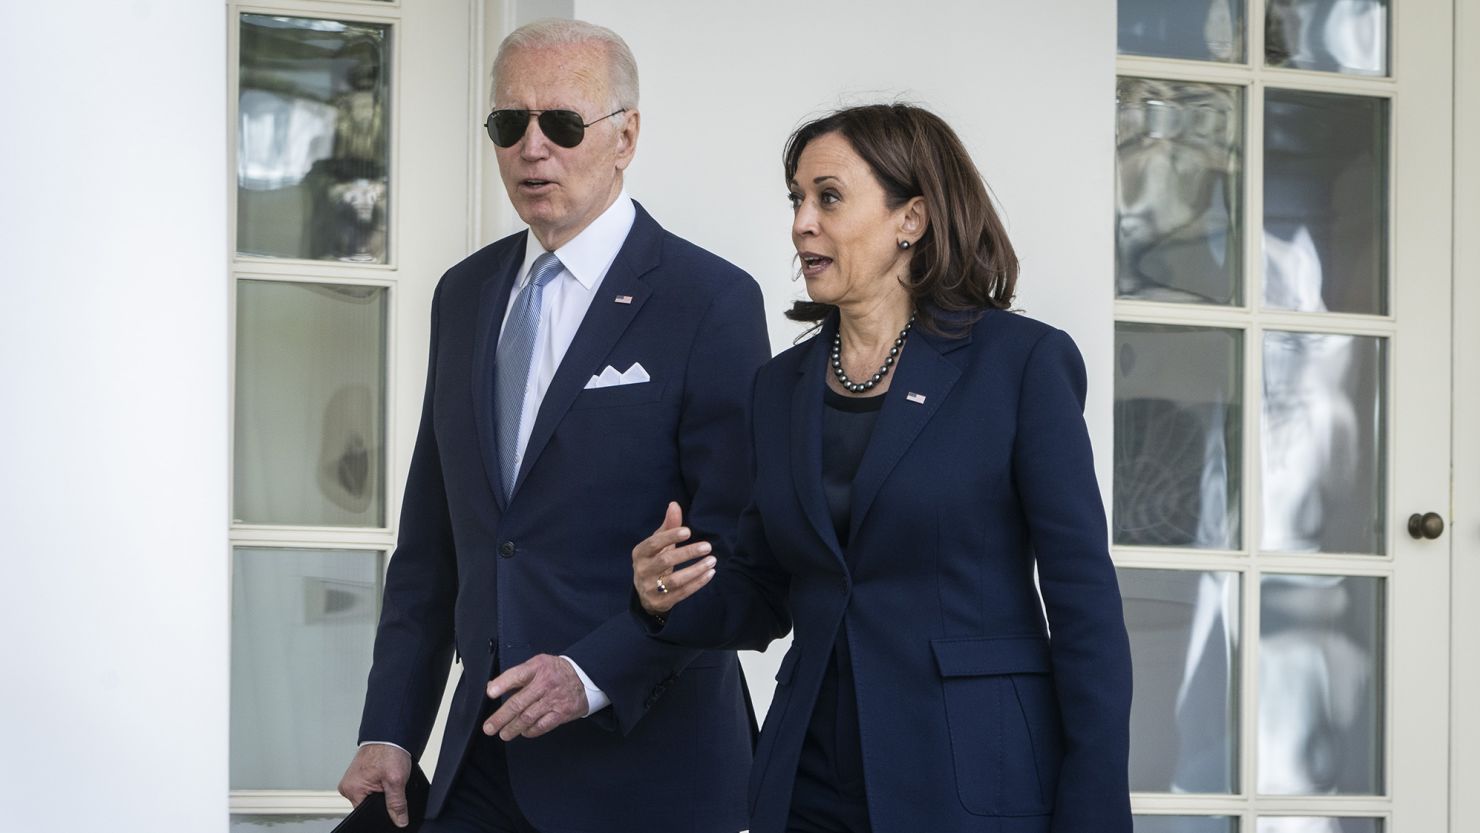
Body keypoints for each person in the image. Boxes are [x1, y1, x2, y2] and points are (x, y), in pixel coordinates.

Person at [632, 103, 1133, 833]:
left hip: (969, 780)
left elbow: (1084, 603)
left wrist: (1092, 811)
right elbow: (766, 588)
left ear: (913, 219)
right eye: (797, 200)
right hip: (808, 780)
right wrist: (666, 596)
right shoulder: (780, 388)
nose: (803, 222)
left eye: (829, 197)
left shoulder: (1021, 364)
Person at [339, 19, 769, 833]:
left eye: (563, 124)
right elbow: (434, 543)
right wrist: (391, 727)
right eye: (510, 124)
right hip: (484, 761)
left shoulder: (709, 300)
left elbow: (730, 551)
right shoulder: (462, 296)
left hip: (647, 770)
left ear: (625, 137)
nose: (533, 149)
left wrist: (590, 671)